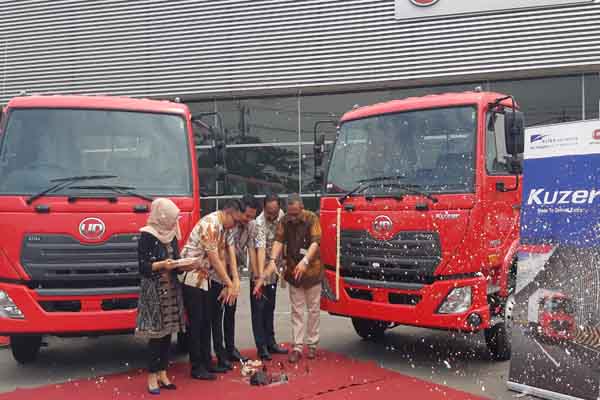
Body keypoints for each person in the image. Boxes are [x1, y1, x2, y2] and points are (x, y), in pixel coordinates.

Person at [258, 194, 322, 363]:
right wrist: (272, 260)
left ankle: (313, 344)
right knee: (297, 310)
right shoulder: (285, 220)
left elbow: (316, 242)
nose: (293, 217)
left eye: (296, 213)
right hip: (293, 272)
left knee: (313, 310)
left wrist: (305, 261)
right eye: (290, 213)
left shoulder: (311, 218)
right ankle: (298, 346)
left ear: (302, 207)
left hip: (312, 271)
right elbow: (278, 240)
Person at [180, 200, 241, 379]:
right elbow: (214, 258)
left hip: (204, 277)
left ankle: (206, 362)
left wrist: (227, 283)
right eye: (236, 221)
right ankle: (196, 366)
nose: (235, 225)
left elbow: (222, 257)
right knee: (197, 323)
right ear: (228, 212)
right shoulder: (211, 224)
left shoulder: (223, 227)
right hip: (191, 276)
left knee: (206, 321)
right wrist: (230, 284)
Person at [136, 198, 187, 395]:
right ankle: (151, 375)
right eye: (172, 218)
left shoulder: (172, 233)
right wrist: (161, 265)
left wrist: (183, 264)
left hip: (172, 288)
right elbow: (143, 267)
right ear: (162, 216)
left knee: (168, 333)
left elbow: (176, 258)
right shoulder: (147, 235)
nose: (175, 223)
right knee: (156, 334)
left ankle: (163, 372)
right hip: (155, 290)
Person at [222, 195, 259, 363]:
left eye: (253, 217)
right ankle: (218, 350)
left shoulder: (251, 226)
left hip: (235, 270)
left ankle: (230, 348)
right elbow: (223, 251)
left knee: (230, 311)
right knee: (215, 313)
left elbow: (252, 249)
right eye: (247, 216)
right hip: (220, 270)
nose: (249, 220)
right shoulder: (229, 224)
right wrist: (228, 280)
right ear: (239, 212)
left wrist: (256, 274)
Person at [251, 194, 289, 360]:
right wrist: (260, 276)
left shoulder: (282, 216)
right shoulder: (258, 223)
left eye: (275, 211)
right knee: (258, 309)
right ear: (264, 208)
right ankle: (261, 347)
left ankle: (271, 342)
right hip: (259, 267)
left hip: (274, 268)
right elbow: (259, 249)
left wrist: (285, 260)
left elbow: (284, 240)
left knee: (270, 306)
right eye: (269, 212)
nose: (272, 215)